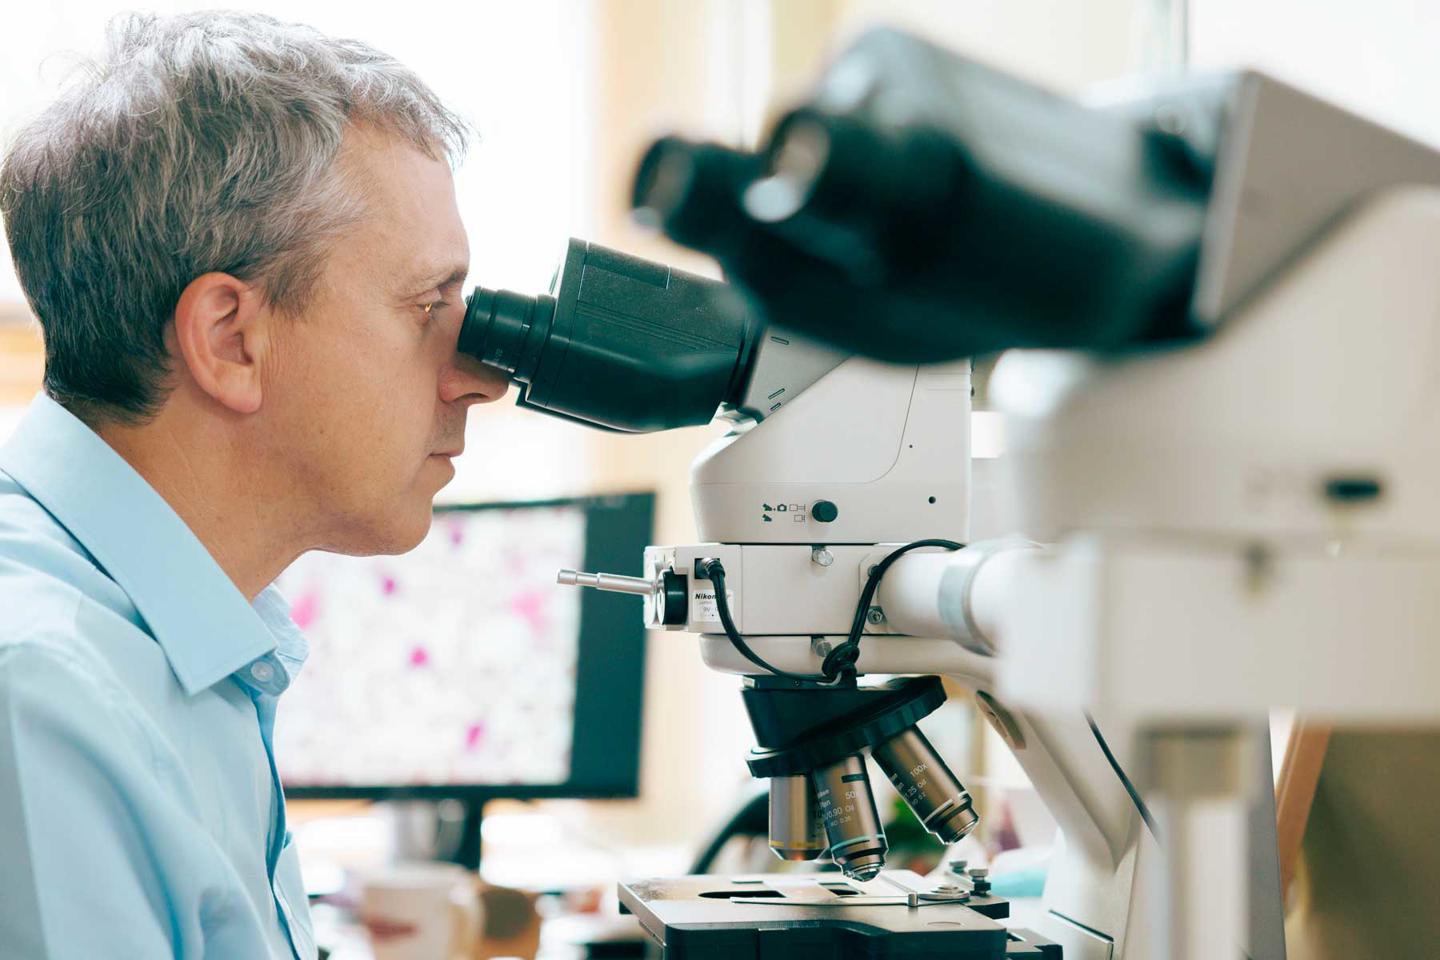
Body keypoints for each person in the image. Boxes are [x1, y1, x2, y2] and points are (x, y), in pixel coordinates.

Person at [0, 12, 508, 958]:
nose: (481, 378)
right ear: (231, 340)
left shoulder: (177, 640)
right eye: (427, 305)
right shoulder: (42, 702)